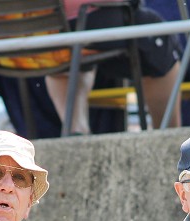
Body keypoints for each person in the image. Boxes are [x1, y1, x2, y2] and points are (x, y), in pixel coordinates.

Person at [45, 0, 182, 134]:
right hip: (90, 19)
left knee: (70, 59)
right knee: (156, 34)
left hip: (41, 32)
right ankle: (168, 134)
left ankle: (76, 130)